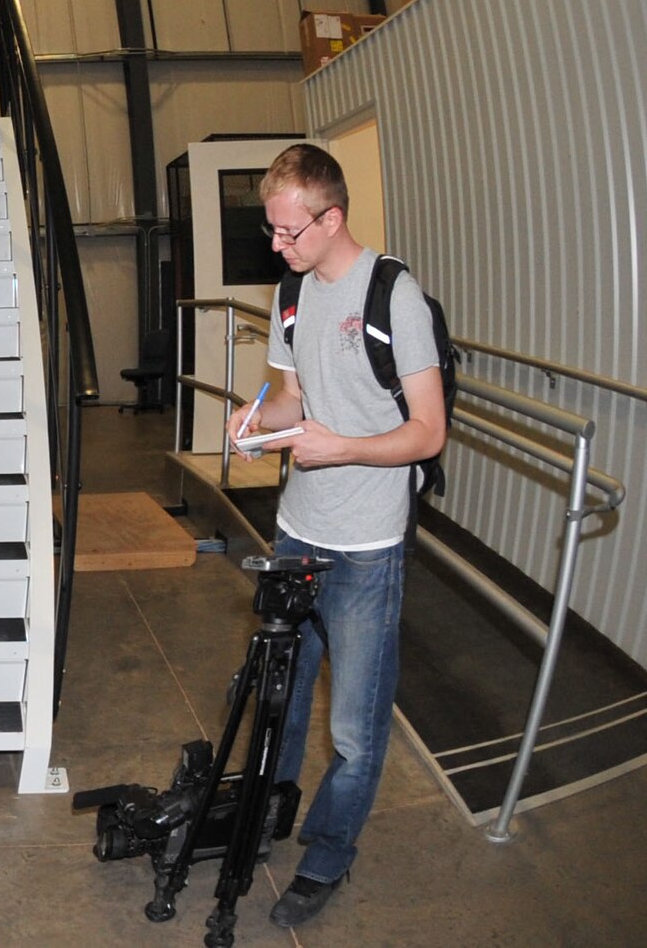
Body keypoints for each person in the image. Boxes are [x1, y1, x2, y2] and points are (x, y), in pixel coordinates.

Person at [226, 144, 445, 928]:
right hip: (297, 532)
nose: (278, 247)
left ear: (332, 216)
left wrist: (342, 445)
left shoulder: (394, 295)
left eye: (290, 232)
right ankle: (266, 816)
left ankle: (326, 854)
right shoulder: (292, 293)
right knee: (278, 700)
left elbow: (427, 432)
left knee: (353, 725)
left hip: (366, 545)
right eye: (272, 231)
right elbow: (292, 398)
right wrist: (257, 422)